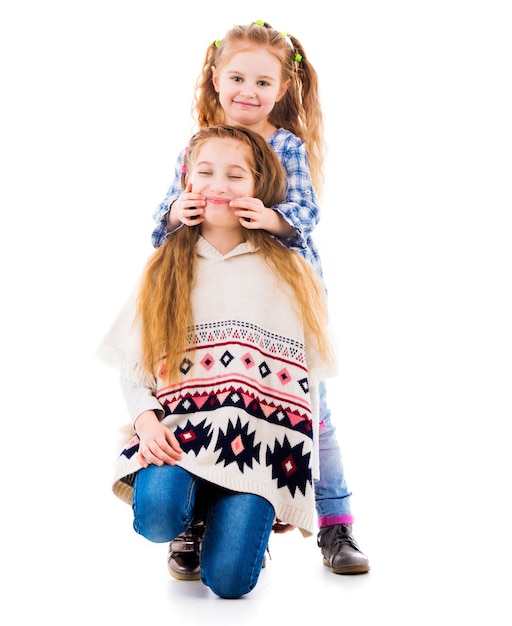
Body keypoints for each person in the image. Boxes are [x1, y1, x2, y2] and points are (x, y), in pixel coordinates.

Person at [151, 21, 370, 577]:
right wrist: (180, 212)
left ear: (283, 90)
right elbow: (162, 221)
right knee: (207, 403)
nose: (249, 92)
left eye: (263, 83)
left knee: (311, 412)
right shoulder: (200, 147)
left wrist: (270, 218)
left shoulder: (287, 146)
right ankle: (199, 522)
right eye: (238, 78)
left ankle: (334, 524)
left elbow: (307, 214)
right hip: (214, 300)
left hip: (279, 299)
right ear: (216, 79)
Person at [100, 124, 336, 598]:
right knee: (160, 515)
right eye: (205, 172)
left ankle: (234, 509)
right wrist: (146, 423)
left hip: (254, 451)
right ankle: (195, 509)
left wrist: (288, 479)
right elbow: (134, 365)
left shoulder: (290, 271)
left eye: (236, 175)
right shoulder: (166, 264)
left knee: (230, 583)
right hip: (178, 435)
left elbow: (302, 385)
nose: (219, 185)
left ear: (259, 190)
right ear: (187, 183)